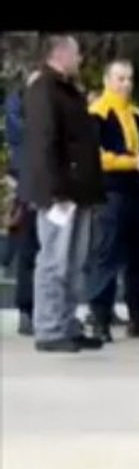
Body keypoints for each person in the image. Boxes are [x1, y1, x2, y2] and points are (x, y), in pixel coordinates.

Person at [24, 35, 105, 352]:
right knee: (55, 260)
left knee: (73, 262)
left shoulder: (67, 90)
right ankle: (49, 328)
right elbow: (43, 142)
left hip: (78, 188)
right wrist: (54, 188)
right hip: (60, 191)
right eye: (76, 52)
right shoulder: (44, 90)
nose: (80, 58)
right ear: (59, 53)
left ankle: (67, 323)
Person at [85, 59, 139, 342]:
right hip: (111, 192)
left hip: (138, 192)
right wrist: (132, 162)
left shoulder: (136, 114)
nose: (126, 84)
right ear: (107, 80)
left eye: (129, 79)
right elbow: (97, 156)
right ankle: (100, 319)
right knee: (106, 256)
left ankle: (137, 315)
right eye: (120, 78)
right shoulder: (97, 112)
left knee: (138, 257)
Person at [4, 70, 41, 336]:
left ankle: (37, 310)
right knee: (28, 250)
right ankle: (26, 311)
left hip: (44, 185)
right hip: (28, 186)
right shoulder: (18, 111)